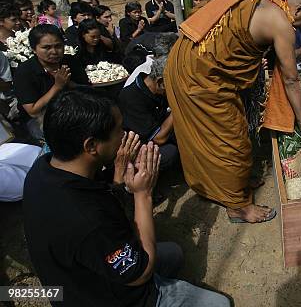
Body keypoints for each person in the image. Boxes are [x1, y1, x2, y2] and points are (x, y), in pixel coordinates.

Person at [23, 89, 231, 307]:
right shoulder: (85, 219)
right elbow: (140, 274)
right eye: (120, 130)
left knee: (173, 254)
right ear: (91, 146)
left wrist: (118, 175)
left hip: (80, 275)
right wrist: (143, 194)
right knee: (220, 303)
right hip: (109, 297)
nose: (126, 135)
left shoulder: (44, 168)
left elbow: (100, 205)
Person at [164, 0, 301, 223]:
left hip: (184, 56)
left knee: (210, 135)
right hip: (200, 76)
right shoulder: (281, 23)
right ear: (299, 9)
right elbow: (291, 78)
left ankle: (229, 183)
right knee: (233, 142)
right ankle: (238, 206)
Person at [14, 25, 90, 140]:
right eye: (46, 48)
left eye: (58, 46)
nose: (54, 52)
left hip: (74, 110)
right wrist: (57, 86)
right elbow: (33, 111)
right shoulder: (25, 72)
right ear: (34, 49)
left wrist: (69, 83)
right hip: (42, 118)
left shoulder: (70, 61)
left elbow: (87, 92)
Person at [119, 55, 178, 174]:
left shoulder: (157, 91)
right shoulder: (132, 98)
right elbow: (159, 138)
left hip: (155, 132)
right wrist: (178, 105)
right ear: (160, 82)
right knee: (170, 153)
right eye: (173, 86)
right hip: (135, 147)